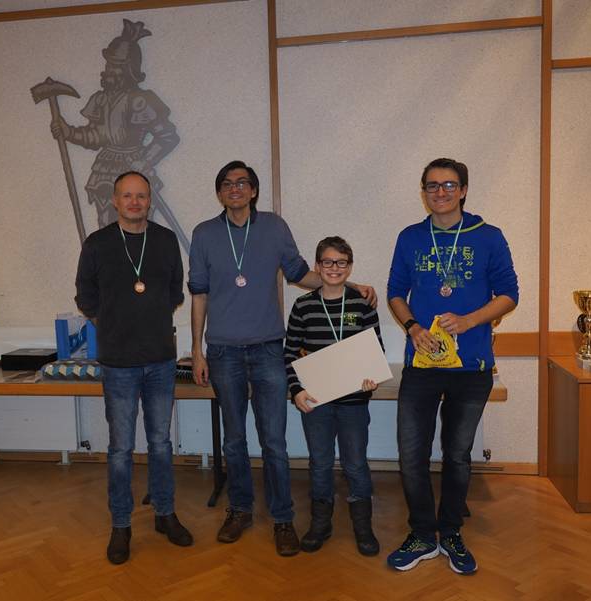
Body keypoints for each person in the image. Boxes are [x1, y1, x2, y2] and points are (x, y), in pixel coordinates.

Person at [188, 160, 377, 557]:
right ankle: (240, 510)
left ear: (254, 190)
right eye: (227, 183)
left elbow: (299, 273)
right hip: (222, 351)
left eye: (243, 182)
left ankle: (283, 518)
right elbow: (199, 295)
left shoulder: (274, 227)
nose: (235, 188)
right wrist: (197, 350)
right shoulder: (203, 234)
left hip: (268, 349)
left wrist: (348, 283)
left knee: (274, 440)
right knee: (234, 440)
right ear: (219, 192)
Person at [386, 158, 519, 575]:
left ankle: (451, 532)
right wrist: (411, 327)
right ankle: (423, 534)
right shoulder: (410, 237)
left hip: (471, 366)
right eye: (432, 185)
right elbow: (395, 291)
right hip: (422, 365)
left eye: (448, 185)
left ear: (463, 190)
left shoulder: (489, 236)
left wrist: (469, 320)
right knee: (411, 453)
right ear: (423, 192)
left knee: (458, 455)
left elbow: (509, 294)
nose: (440, 192)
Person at [75, 171, 191, 565]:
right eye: (127, 195)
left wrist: (148, 316)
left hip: (160, 359)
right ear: (115, 200)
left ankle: (165, 513)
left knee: (161, 443)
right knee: (121, 449)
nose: (135, 202)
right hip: (119, 363)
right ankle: (121, 525)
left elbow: (175, 291)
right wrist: (110, 323)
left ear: (149, 200)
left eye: (141, 195)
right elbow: (85, 296)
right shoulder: (97, 244)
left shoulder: (165, 240)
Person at [284, 236, 384, 556]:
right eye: (327, 262)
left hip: (354, 402)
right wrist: (296, 390)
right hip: (317, 403)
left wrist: (372, 378)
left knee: (356, 464)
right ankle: (320, 523)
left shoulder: (361, 304)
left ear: (349, 267)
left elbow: (376, 350)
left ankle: (363, 526)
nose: (334, 268)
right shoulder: (303, 306)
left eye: (341, 262)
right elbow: (288, 355)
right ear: (317, 266)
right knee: (320, 463)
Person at [52, 20, 181, 235]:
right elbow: (96, 136)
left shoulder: (140, 100)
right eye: (108, 65)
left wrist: (144, 160)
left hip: (134, 164)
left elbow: (167, 136)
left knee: (140, 230)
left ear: (128, 69)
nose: (109, 71)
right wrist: (69, 132)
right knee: (106, 229)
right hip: (104, 170)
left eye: (115, 66)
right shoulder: (101, 99)